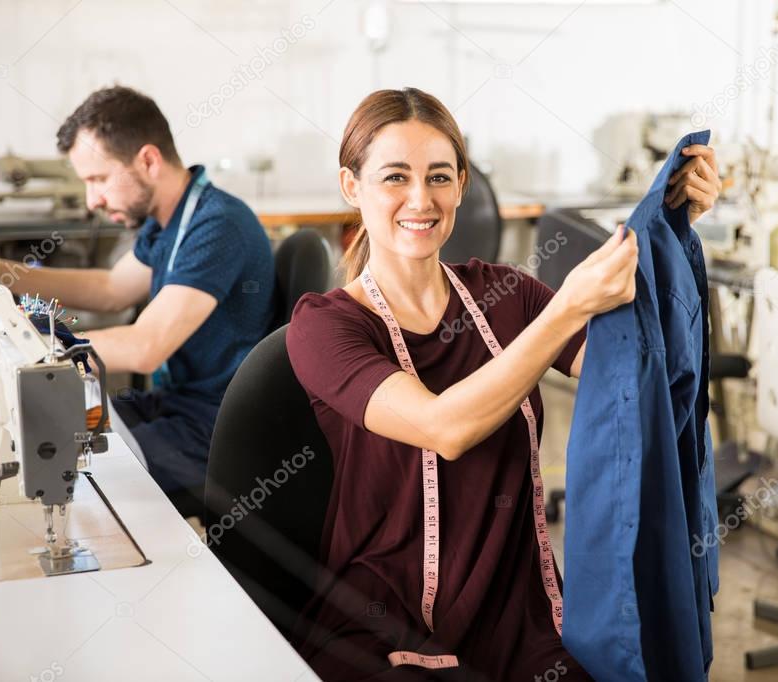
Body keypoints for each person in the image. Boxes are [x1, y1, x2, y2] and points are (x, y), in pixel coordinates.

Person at [286, 87, 720, 680]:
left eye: (440, 177)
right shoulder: (325, 325)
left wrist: (670, 235)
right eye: (394, 177)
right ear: (351, 186)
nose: (421, 199)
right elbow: (445, 427)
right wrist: (564, 310)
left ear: (462, 185)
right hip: (380, 616)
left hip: (520, 611)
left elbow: (633, 380)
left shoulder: (508, 295)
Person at [0, 86, 276, 511]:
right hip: (177, 405)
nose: (92, 200)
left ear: (148, 161)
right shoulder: (170, 220)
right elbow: (111, 289)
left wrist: (23, 347)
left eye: (98, 179)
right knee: (53, 429)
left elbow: (144, 349)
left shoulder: (217, 225)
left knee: (82, 480)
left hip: (218, 428)